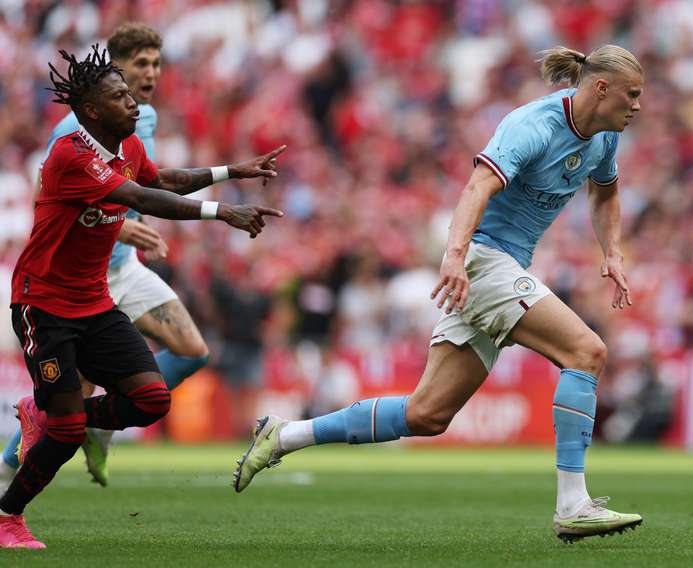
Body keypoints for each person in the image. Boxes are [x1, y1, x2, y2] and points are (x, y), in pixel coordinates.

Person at [233, 44, 645, 542]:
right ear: (601, 88)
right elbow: (476, 188)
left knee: (427, 414)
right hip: (481, 260)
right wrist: (454, 256)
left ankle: (285, 434)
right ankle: (573, 503)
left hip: (498, 267)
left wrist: (613, 251)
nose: (638, 106)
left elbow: (605, 191)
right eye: (633, 94)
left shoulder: (603, 137)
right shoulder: (531, 125)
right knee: (587, 350)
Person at [0, 45, 284, 548]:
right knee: (66, 436)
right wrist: (224, 212)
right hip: (43, 304)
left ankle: (47, 414)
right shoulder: (73, 154)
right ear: (90, 111)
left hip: (93, 301)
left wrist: (231, 172)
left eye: (131, 94)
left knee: (151, 400)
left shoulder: (126, 148)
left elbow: (163, 179)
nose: (133, 103)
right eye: (120, 96)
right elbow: (141, 198)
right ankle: (8, 517)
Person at [0, 23, 209, 489]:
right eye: (141, 65)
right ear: (115, 69)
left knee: (193, 351)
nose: (151, 74)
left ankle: (90, 423)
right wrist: (119, 219)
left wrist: (228, 173)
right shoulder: (73, 130)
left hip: (117, 270)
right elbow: (51, 195)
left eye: (157, 64)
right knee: (65, 410)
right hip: (67, 278)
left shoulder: (142, 120)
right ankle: (13, 468)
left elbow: (151, 181)